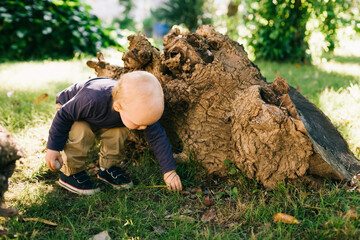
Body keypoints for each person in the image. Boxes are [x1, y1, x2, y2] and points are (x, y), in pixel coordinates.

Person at [45, 71, 182, 195]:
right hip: (71, 112)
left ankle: (108, 168)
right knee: (82, 131)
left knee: (119, 131)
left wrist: (169, 171)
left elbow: (158, 138)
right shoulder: (92, 98)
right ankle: (71, 173)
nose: (143, 128)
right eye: (138, 123)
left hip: (99, 117)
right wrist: (53, 148)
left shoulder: (135, 107)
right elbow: (64, 116)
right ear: (118, 107)